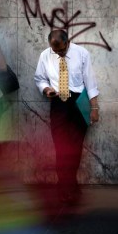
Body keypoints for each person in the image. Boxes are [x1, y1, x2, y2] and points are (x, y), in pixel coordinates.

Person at [34, 29, 100, 205]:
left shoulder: (82, 53)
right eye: (56, 51)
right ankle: (65, 188)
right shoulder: (45, 55)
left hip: (79, 103)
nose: (59, 54)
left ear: (67, 42)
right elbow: (39, 78)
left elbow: (90, 81)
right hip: (58, 104)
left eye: (62, 50)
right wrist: (46, 89)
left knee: (76, 148)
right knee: (61, 148)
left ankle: (71, 185)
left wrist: (94, 107)